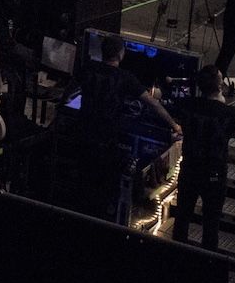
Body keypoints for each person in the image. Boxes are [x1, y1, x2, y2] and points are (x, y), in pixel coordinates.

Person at [68, 34, 181, 223]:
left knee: (83, 182)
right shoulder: (125, 78)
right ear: (121, 54)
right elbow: (153, 103)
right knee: (106, 185)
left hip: (83, 135)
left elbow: (70, 91)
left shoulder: (87, 68)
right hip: (106, 140)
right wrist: (175, 124)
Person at [172, 66, 235, 250]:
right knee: (211, 223)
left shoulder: (187, 105)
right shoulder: (229, 114)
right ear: (219, 86)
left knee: (182, 217)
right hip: (214, 173)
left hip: (190, 169)